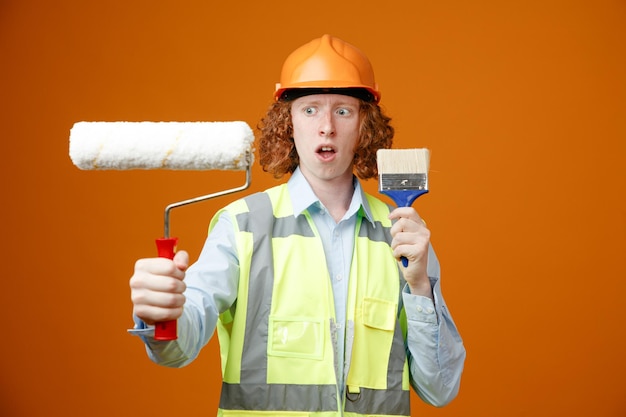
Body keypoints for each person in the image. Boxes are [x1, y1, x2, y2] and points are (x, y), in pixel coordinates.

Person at [129, 34, 465, 416]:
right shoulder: (241, 226)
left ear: (363, 127)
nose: (326, 127)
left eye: (343, 111)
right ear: (287, 124)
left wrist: (420, 287)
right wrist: (162, 315)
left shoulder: (404, 238)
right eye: (309, 110)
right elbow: (177, 348)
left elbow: (440, 389)